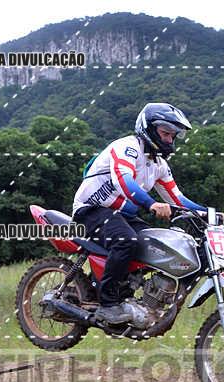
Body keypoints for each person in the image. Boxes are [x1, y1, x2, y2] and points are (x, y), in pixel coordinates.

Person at [71, 103, 206, 324]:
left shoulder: (159, 164)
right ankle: (108, 304)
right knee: (126, 241)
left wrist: (208, 214)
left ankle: (129, 296)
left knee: (153, 244)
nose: (169, 140)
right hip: (91, 209)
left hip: (120, 214)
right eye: (165, 133)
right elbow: (124, 181)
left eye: (173, 136)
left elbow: (177, 198)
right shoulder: (127, 147)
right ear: (149, 128)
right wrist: (151, 204)